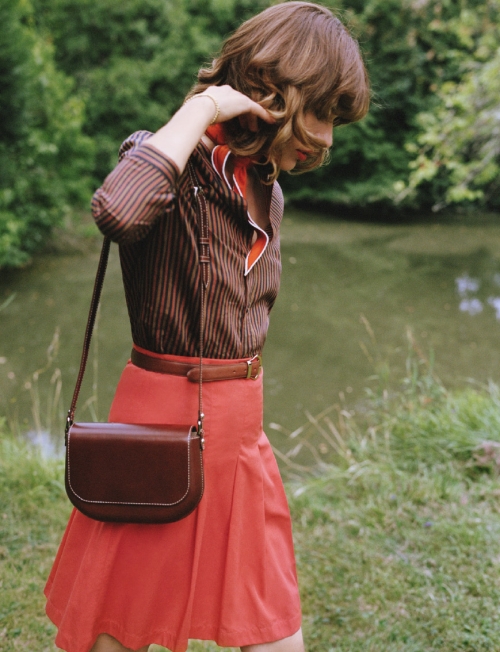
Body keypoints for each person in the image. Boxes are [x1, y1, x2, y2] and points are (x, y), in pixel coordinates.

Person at [44, 3, 369, 651]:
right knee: (125, 621)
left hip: (242, 431)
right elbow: (117, 212)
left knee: (272, 627)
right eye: (322, 111)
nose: (328, 138)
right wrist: (203, 108)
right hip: (161, 425)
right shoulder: (165, 159)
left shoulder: (267, 189)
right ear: (271, 89)